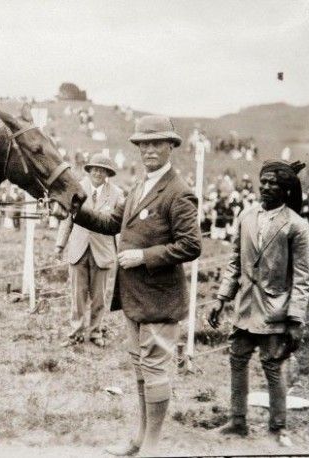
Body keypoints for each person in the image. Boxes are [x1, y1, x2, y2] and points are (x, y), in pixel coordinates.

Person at [72, 115, 202, 455]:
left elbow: (191, 245)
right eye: (143, 144)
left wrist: (144, 256)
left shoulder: (179, 192)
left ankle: (152, 447)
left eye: (157, 143)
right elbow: (109, 222)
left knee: (155, 369)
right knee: (141, 370)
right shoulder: (138, 187)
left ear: (171, 146)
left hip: (160, 299)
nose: (149, 150)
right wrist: (75, 208)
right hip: (133, 297)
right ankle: (140, 439)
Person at [208, 160, 309, 447]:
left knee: (272, 365)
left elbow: (303, 278)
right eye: (263, 181)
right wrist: (221, 298)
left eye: (273, 183)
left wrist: (295, 320)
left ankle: (278, 427)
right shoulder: (246, 216)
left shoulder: (296, 226)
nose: (265, 187)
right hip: (244, 307)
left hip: (274, 311)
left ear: (286, 189)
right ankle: (238, 421)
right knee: (237, 360)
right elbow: (234, 263)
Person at [55, 153, 124, 347]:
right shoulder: (77, 188)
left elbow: (119, 224)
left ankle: (95, 332)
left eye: (102, 170)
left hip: (102, 251)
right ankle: (75, 332)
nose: (98, 173)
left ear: (108, 173)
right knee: (77, 295)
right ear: (89, 170)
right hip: (78, 249)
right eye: (94, 169)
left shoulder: (117, 194)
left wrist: (122, 250)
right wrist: (60, 245)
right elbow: (67, 219)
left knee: (99, 296)